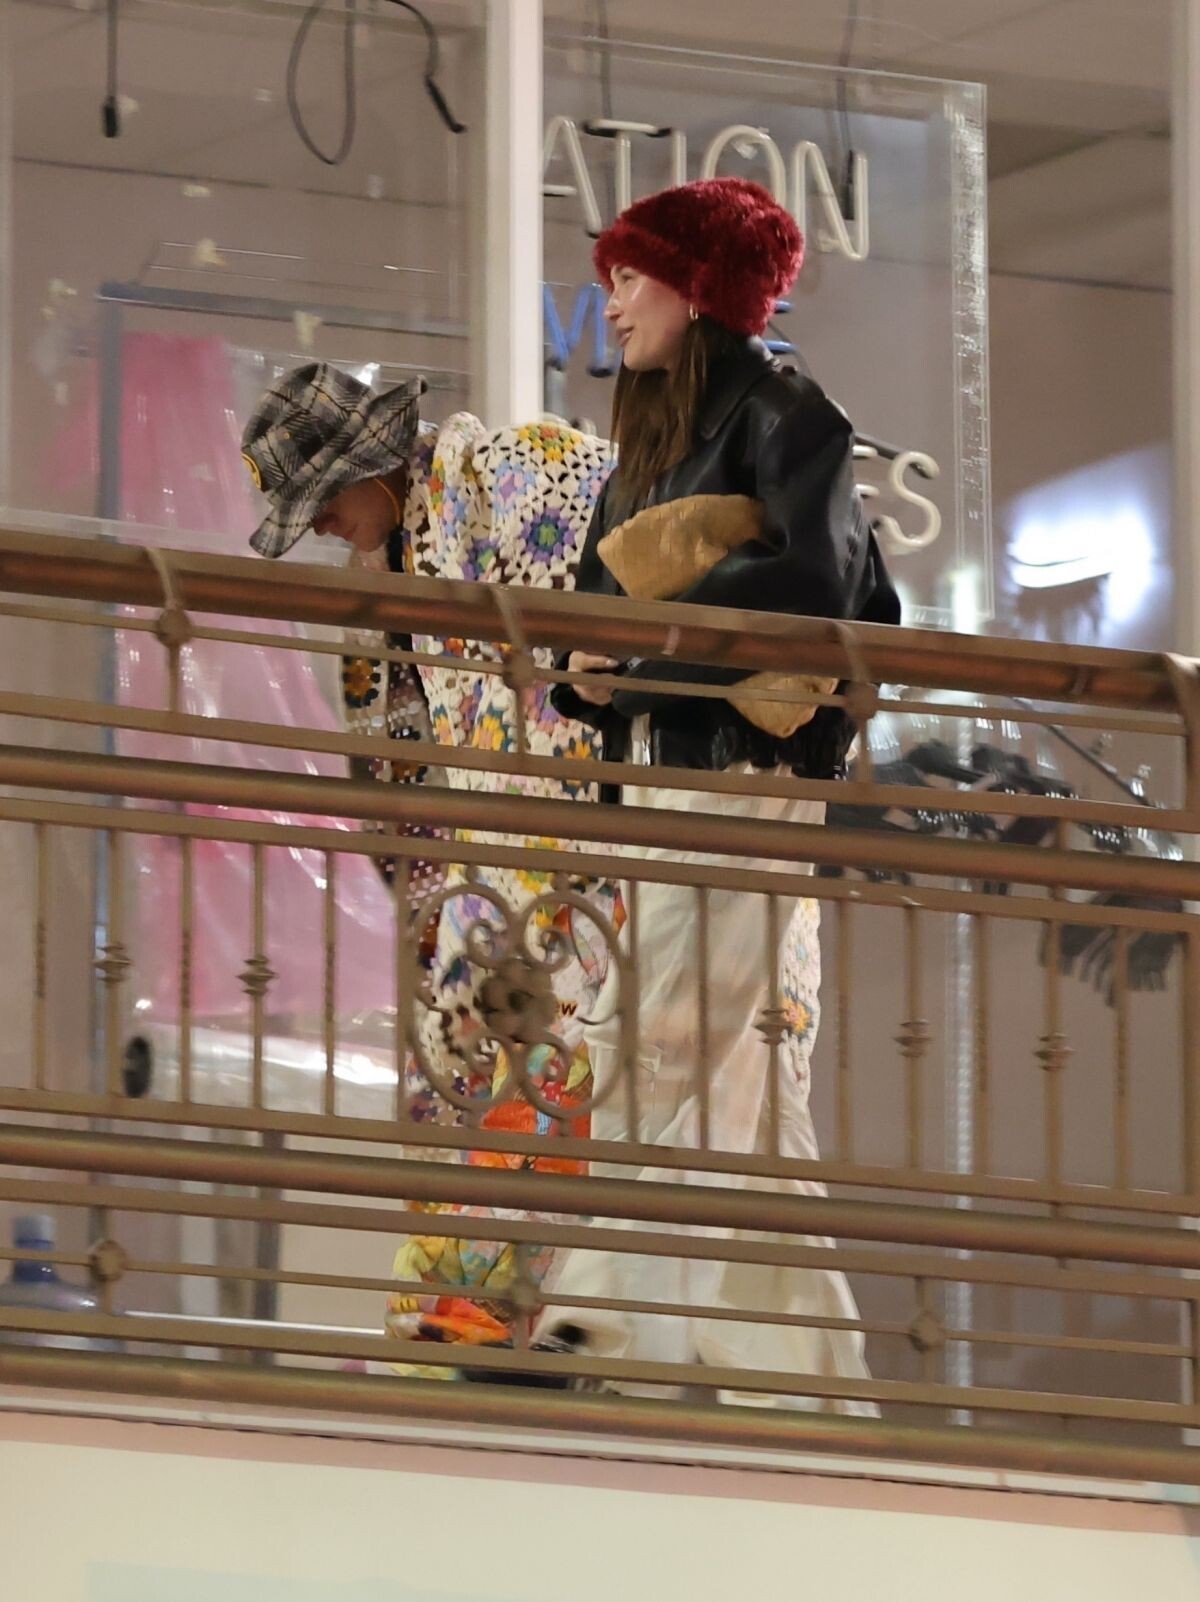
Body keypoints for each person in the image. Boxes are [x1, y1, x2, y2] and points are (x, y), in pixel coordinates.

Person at [527, 177, 901, 1409]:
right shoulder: (657, 435)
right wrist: (589, 674)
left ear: (696, 287)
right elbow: (595, 613)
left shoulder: (787, 412)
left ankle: (599, 1330)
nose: (611, 301)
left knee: (665, 1034)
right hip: (670, 775)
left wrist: (632, 651)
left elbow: (821, 590)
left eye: (631, 276)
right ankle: (809, 1379)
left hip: (742, 774)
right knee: (739, 1081)